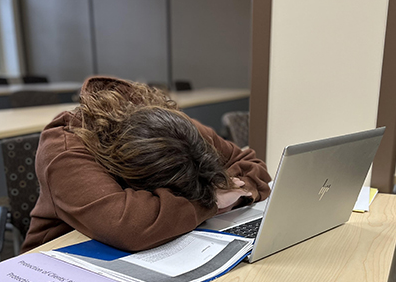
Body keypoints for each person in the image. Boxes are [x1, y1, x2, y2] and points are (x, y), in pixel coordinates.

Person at [22, 76, 271, 252]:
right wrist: (212, 200)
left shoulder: (170, 125)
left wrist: (234, 188)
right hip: (59, 261)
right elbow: (127, 225)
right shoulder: (65, 146)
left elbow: (250, 164)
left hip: (157, 246)